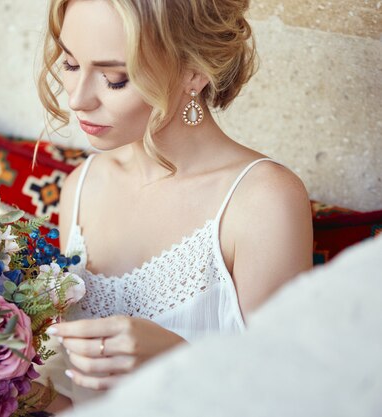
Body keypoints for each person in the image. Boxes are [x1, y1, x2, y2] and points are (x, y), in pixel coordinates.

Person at [33, 0, 313, 411]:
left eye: (114, 78)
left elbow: (292, 399)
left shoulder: (261, 201)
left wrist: (181, 359)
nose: (76, 99)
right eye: (71, 64)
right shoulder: (82, 186)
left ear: (194, 72)